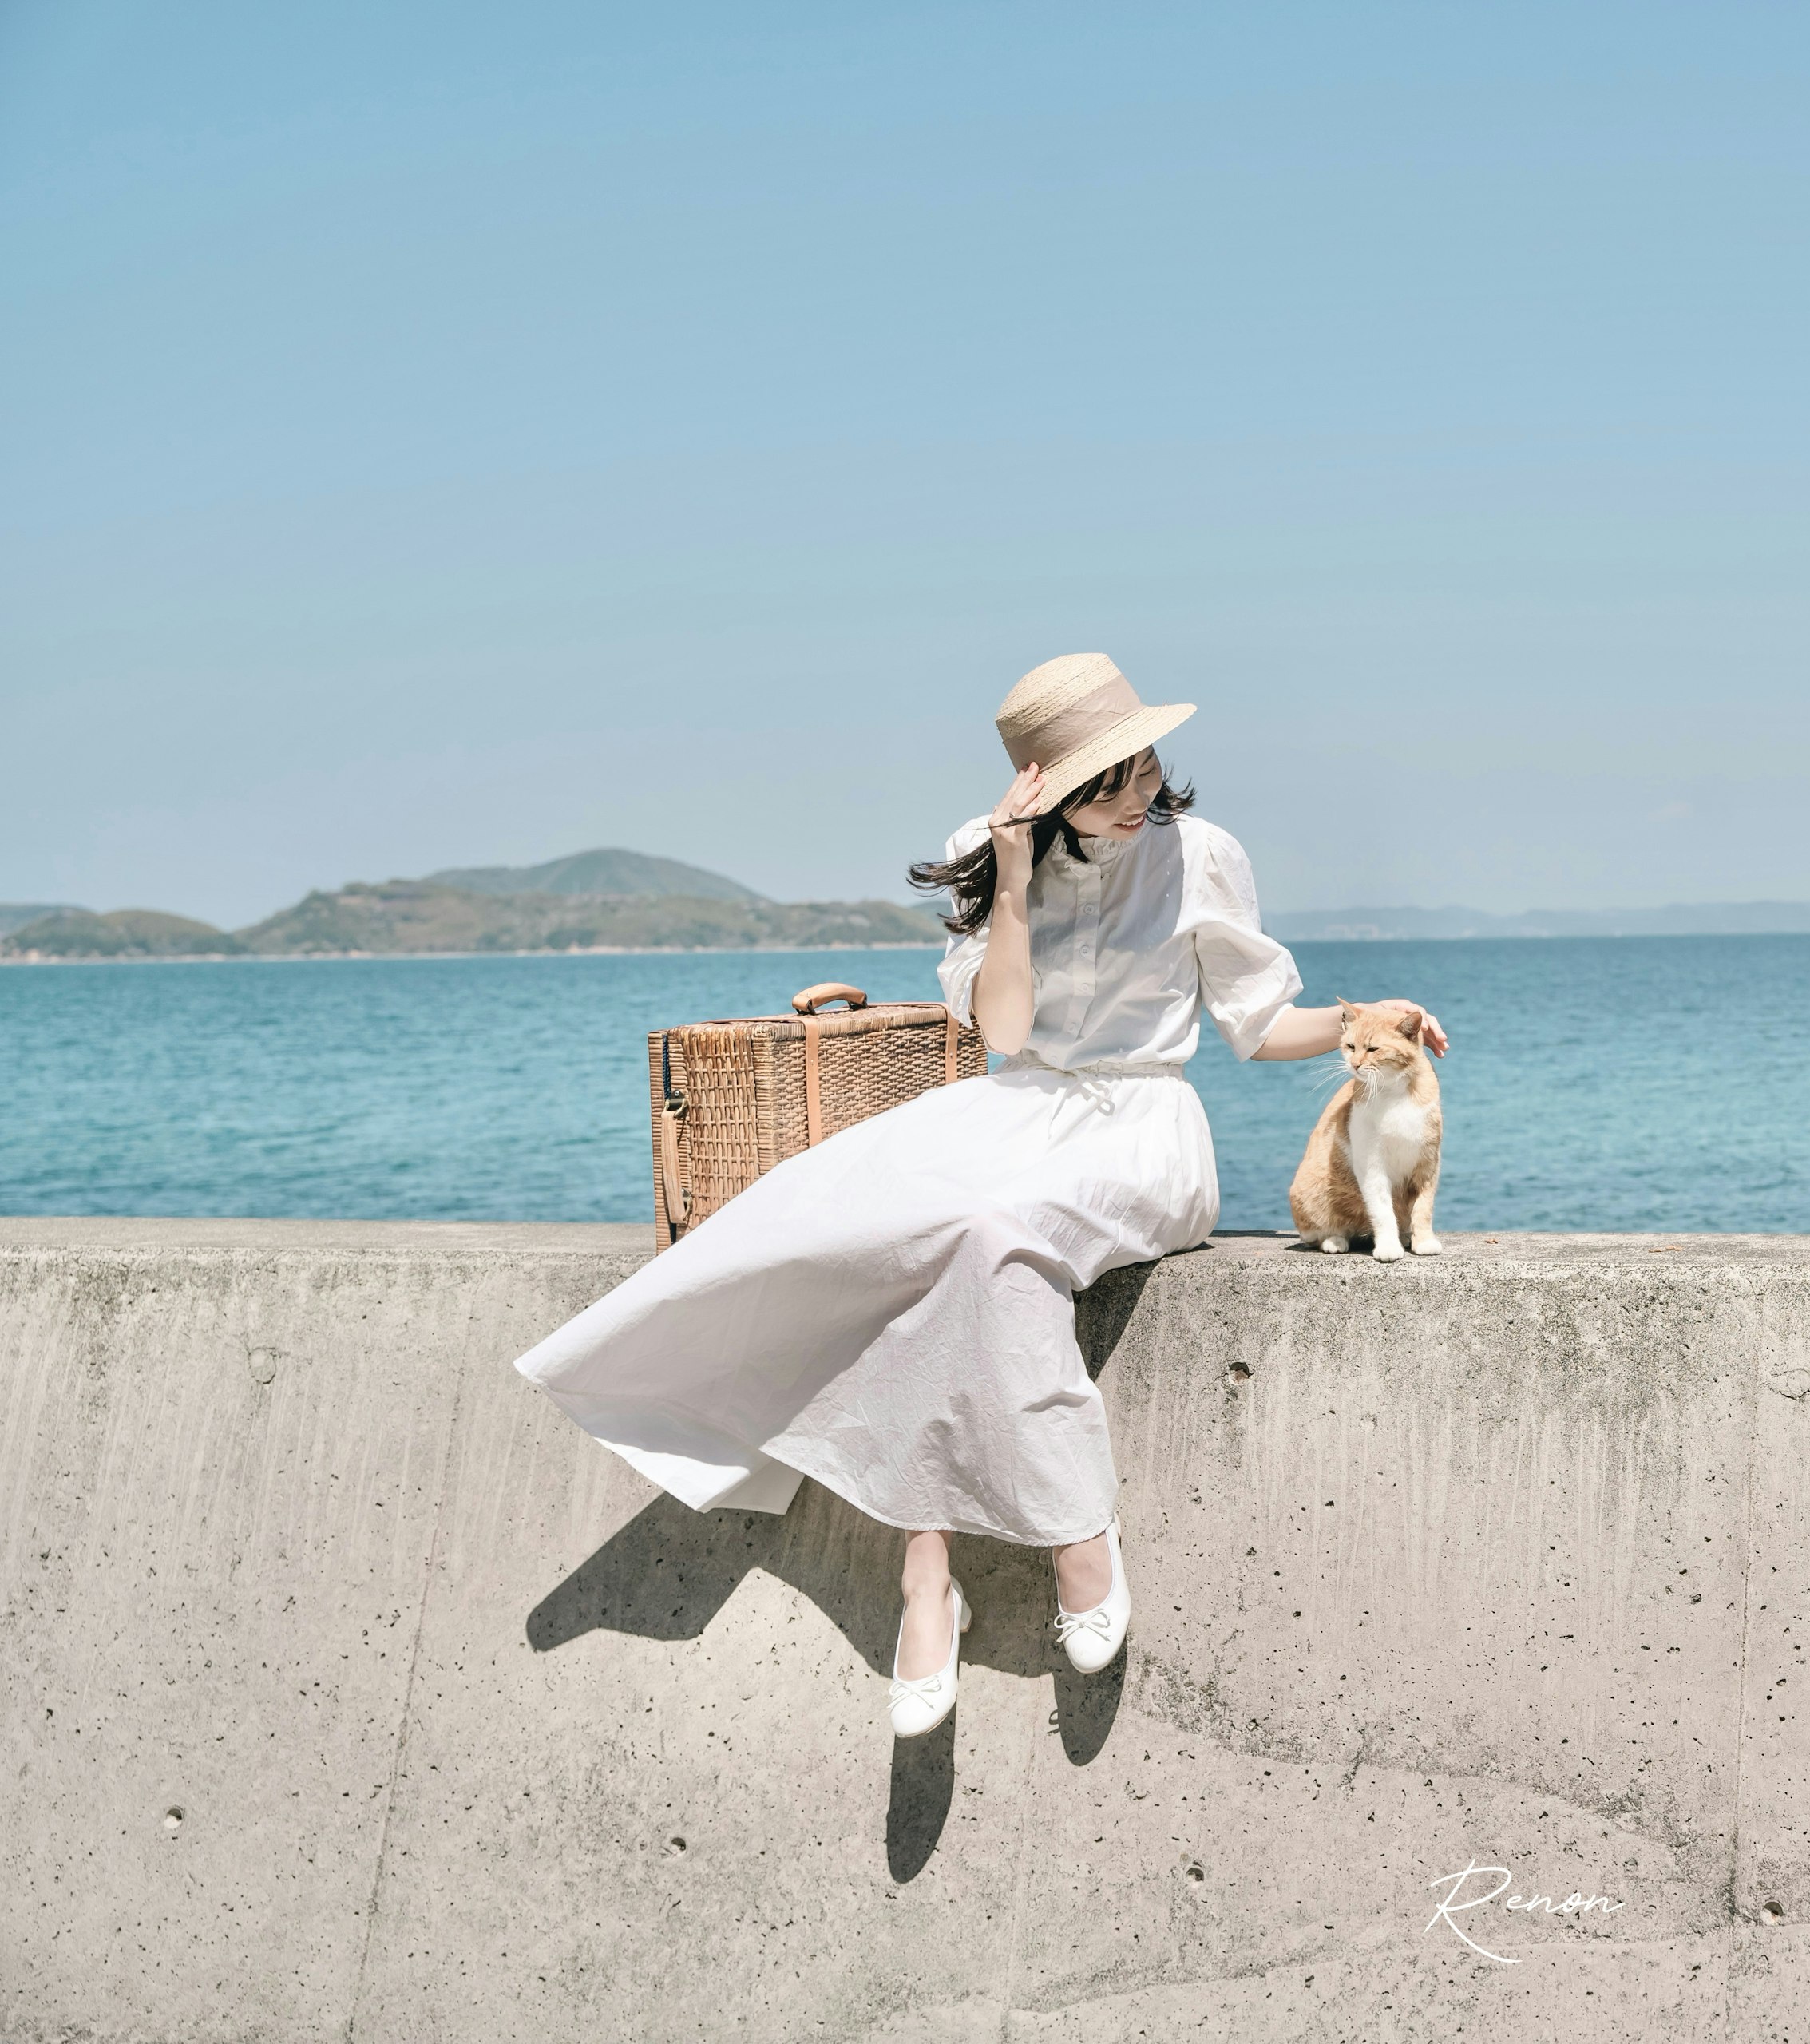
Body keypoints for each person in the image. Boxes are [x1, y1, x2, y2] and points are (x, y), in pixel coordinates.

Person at [512, 652, 1448, 1736]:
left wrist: (1358, 1020)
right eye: (1104, 783)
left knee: (984, 1230)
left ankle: (1058, 1538)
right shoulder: (985, 855)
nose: (1136, 796)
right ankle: (931, 1572)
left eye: (1143, 766)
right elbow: (999, 1033)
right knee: (848, 1211)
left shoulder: (1203, 855)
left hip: (1144, 1127)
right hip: (1011, 1108)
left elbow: (1251, 1026)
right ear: (1043, 791)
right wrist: (1010, 879)